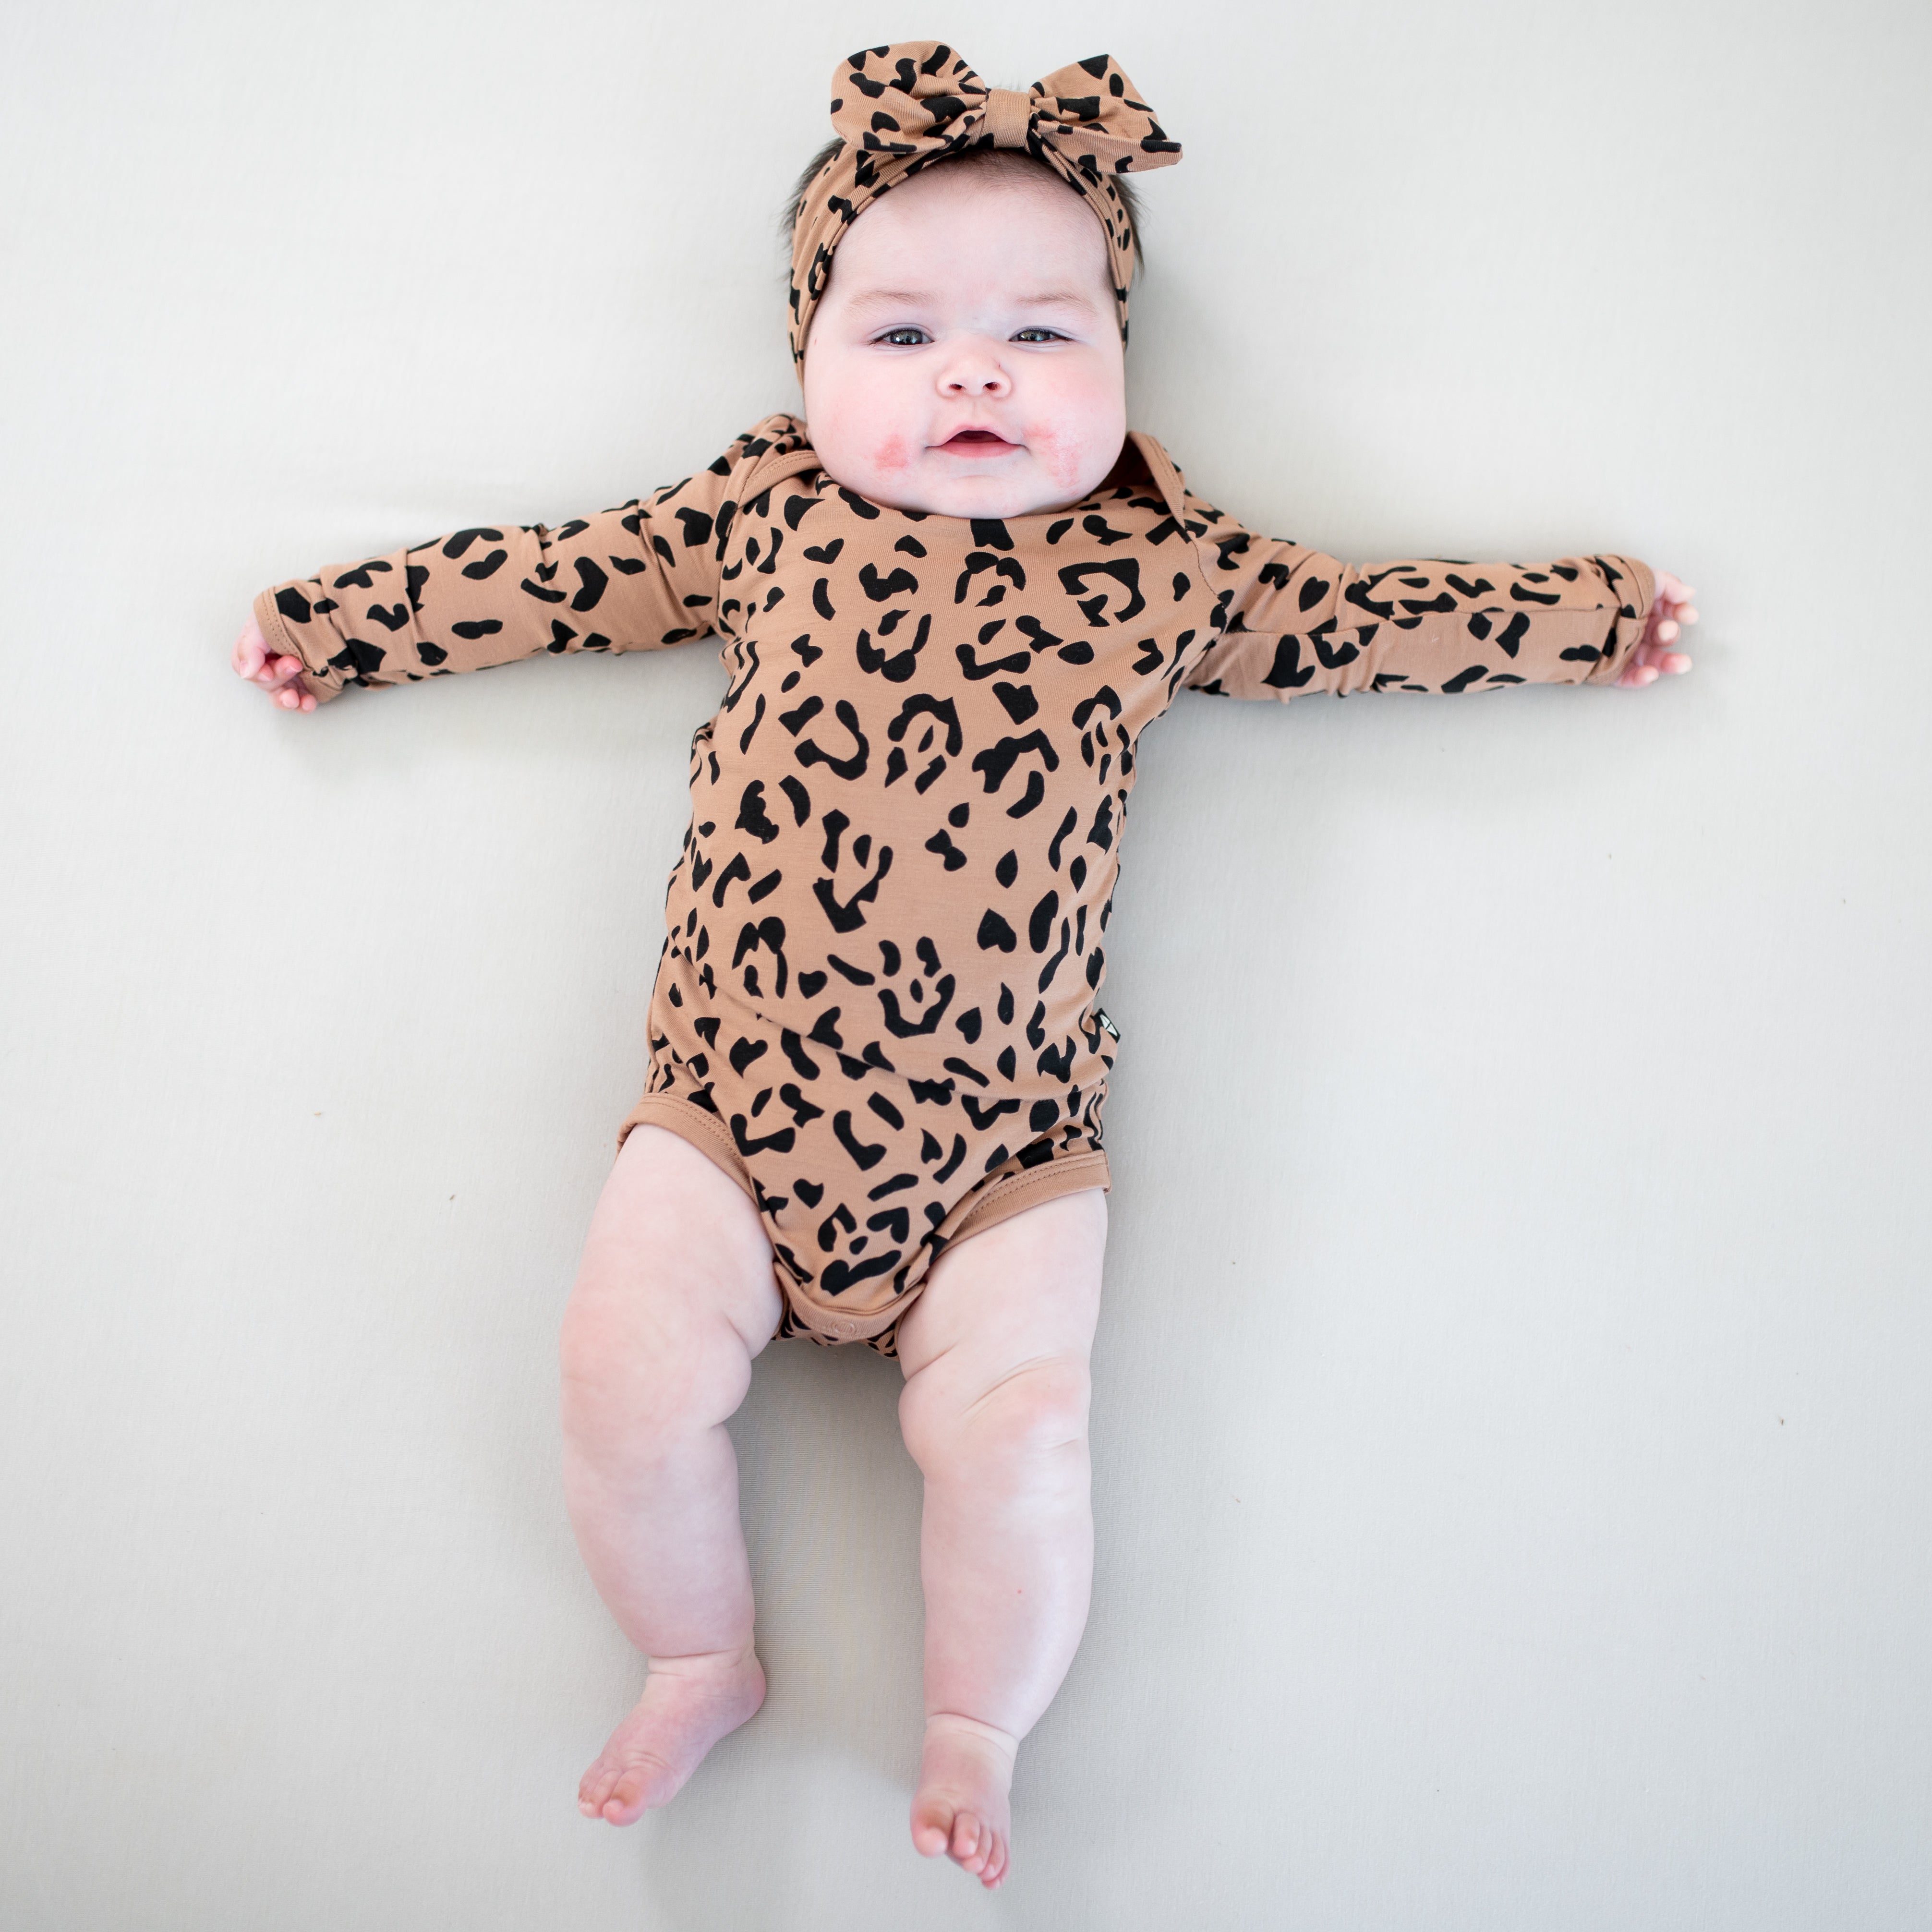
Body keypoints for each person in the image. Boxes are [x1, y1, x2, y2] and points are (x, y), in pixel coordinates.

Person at [230, 43, 1695, 1890]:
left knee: (1027, 1443)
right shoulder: (760, 514)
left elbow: (1362, 614)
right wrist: (342, 628)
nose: (977, 369)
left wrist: (1585, 616)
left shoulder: (1162, 568)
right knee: (618, 1369)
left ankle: (973, 1723)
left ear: (1122, 359)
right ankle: (700, 1653)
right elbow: (555, 573)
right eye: (902, 334)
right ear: (808, 357)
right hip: (729, 1117)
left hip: (1007, 1150)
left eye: (1045, 330)